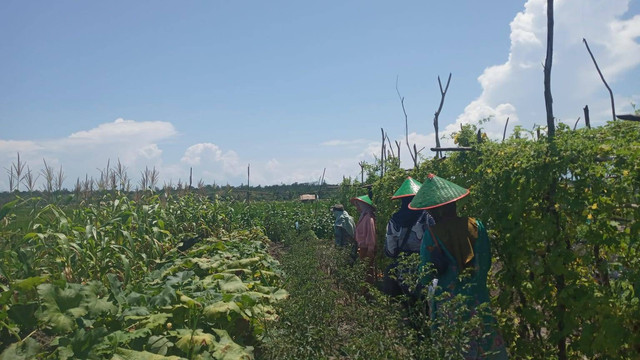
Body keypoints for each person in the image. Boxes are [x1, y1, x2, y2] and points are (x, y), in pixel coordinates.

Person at [409, 173, 508, 359]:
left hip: (449, 303)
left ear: (435, 211)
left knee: (456, 348)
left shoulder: (432, 235)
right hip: (479, 297)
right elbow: (486, 263)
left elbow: (425, 275)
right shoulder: (476, 226)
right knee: (485, 345)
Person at [382, 177, 434, 297]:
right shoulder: (427, 218)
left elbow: (390, 251)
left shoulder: (394, 220)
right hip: (425, 269)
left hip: (402, 270)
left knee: (406, 304)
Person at [350, 195, 377, 284]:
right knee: (364, 270)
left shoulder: (368, 218)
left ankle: (368, 291)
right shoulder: (363, 216)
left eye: (358, 205)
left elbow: (371, 234)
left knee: (367, 271)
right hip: (362, 247)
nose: (357, 207)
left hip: (366, 249)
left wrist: (370, 249)